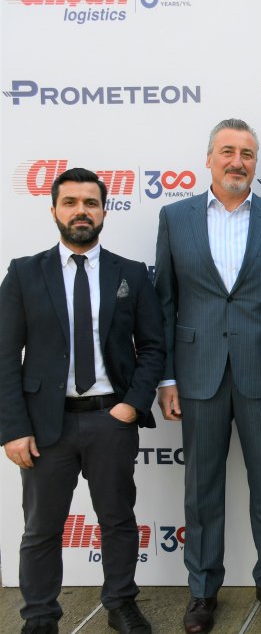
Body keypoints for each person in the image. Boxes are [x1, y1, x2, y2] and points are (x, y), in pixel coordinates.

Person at [154, 118, 261, 633]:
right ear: (209, 158)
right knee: (201, 489)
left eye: (247, 153)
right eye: (227, 151)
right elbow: (165, 304)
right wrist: (166, 378)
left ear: (255, 162)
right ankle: (202, 590)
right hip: (197, 373)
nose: (237, 161)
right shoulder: (174, 218)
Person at [0, 168, 165, 634]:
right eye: (70, 202)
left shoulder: (130, 273)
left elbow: (153, 347)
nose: (81, 211)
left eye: (90, 203)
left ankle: (121, 604)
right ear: (53, 210)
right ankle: (39, 616)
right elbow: (5, 354)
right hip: (44, 426)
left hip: (110, 420)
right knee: (41, 528)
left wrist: (131, 405)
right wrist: (14, 428)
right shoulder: (24, 273)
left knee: (117, 519)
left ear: (104, 211)